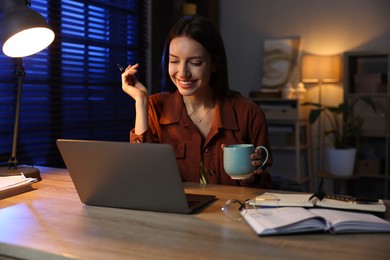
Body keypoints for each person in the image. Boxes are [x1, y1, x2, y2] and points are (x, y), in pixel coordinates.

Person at [121, 15, 272, 188]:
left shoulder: (248, 113)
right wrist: (141, 101)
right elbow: (142, 174)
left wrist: (249, 177)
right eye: (174, 61)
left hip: (231, 212)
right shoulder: (155, 107)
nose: (182, 73)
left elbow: (263, 189)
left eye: (195, 62)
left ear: (214, 63)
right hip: (174, 213)